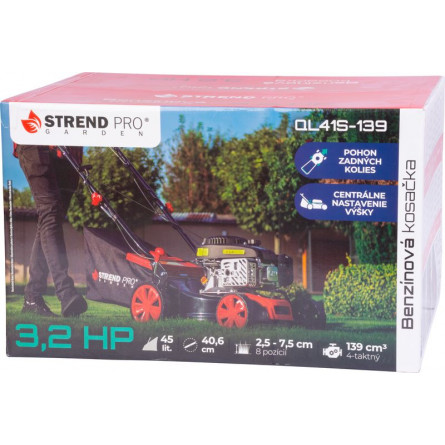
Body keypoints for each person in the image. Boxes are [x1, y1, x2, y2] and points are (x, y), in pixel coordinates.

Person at [15, 144, 88, 317]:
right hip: (37, 144)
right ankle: (65, 291)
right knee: (50, 212)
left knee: (51, 219)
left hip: (70, 152)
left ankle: (32, 297)